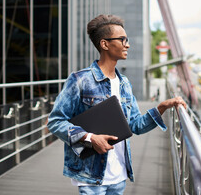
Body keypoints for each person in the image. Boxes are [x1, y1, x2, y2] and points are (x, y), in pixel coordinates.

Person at [47, 14, 186, 195]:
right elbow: (55, 121)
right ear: (104, 44)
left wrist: (163, 107)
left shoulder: (124, 83)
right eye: (122, 39)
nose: (127, 44)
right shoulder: (80, 80)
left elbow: (135, 125)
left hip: (119, 175)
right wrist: (90, 138)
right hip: (91, 176)